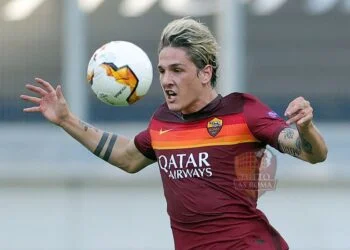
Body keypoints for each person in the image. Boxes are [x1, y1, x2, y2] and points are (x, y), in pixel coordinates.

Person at [20, 17, 328, 250]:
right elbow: (128, 158)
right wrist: (66, 120)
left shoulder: (243, 111)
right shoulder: (162, 122)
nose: (166, 80)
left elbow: (313, 153)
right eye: (162, 70)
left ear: (205, 72)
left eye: (177, 70)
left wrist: (306, 128)